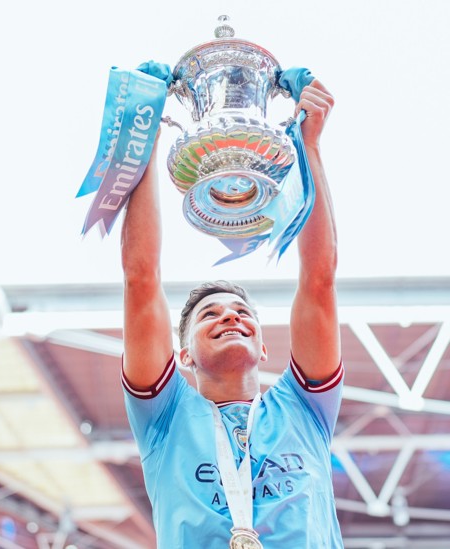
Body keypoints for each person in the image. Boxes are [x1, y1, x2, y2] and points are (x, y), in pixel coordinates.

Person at [120, 79, 342, 548]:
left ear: (263, 348)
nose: (230, 317)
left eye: (242, 312)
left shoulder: (304, 409)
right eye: (210, 315)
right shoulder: (165, 418)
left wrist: (310, 147)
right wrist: (145, 139)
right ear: (182, 358)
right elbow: (142, 281)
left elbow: (319, 280)